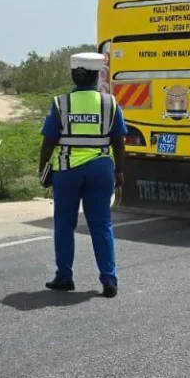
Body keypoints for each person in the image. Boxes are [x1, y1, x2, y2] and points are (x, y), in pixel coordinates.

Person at [38, 52, 127, 298]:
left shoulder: (60, 103)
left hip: (67, 171)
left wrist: (42, 168)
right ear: (97, 75)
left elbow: (48, 141)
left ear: (73, 76)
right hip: (101, 169)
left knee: (65, 224)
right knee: (101, 225)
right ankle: (109, 280)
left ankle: (64, 276)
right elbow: (119, 142)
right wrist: (119, 171)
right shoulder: (111, 103)